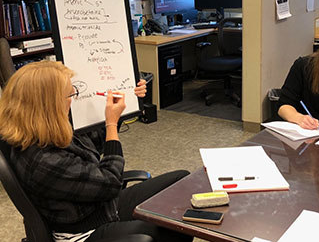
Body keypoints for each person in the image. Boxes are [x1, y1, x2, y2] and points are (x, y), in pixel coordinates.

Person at [0, 61, 192, 242]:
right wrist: (111, 124)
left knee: (182, 182)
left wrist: (128, 103)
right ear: (47, 105)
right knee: (172, 225)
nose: (73, 98)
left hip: (98, 207)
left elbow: (93, 142)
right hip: (84, 230)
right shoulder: (44, 160)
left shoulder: (41, 129)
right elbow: (111, 181)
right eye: (69, 95)